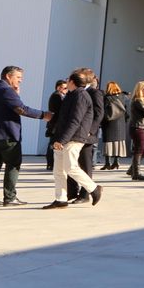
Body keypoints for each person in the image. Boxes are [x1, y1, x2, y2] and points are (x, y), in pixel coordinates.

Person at [0, 65, 51, 207]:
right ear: (8, 76)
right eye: (18, 77)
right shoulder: (6, 90)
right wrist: (44, 115)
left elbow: (8, 106)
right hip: (7, 135)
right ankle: (10, 197)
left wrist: (16, 94)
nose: (20, 81)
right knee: (13, 164)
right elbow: (21, 109)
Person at [44, 68, 103, 209]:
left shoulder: (81, 96)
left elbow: (75, 121)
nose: (66, 82)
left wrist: (62, 140)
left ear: (71, 81)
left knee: (71, 167)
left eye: (67, 79)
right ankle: (61, 199)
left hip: (74, 138)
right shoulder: (72, 95)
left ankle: (94, 189)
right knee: (58, 170)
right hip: (63, 137)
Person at [67, 73, 105, 202]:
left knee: (84, 165)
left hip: (86, 134)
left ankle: (85, 194)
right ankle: (72, 192)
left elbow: (99, 114)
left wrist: (90, 130)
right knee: (71, 164)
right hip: (74, 134)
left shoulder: (95, 92)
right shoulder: (75, 92)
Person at [127, 81, 144, 181]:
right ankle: (136, 173)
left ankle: (132, 170)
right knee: (139, 149)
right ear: (140, 90)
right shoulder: (137, 101)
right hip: (138, 127)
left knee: (143, 149)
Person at [44, 79, 67, 172]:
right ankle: (50, 163)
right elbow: (59, 111)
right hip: (55, 124)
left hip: (55, 123)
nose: (66, 89)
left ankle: (51, 163)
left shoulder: (60, 95)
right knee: (53, 144)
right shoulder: (57, 96)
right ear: (59, 88)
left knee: (53, 143)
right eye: (65, 88)